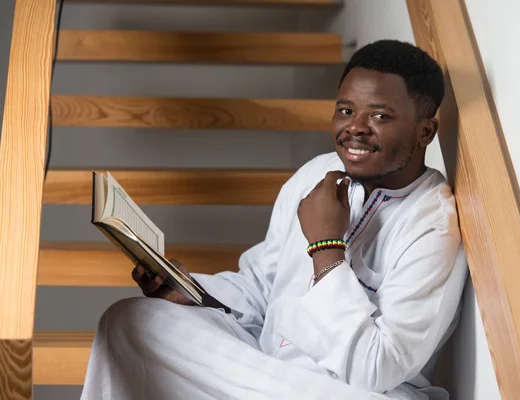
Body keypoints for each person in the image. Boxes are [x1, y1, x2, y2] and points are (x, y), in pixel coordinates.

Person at [81, 39, 467, 400]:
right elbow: (260, 289)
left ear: (425, 132)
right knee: (130, 321)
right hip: (264, 370)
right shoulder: (314, 175)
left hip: (347, 392)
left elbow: (375, 369)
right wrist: (195, 293)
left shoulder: (433, 224)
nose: (355, 128)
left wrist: (326, 248)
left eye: (380, 116)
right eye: (346, 110)